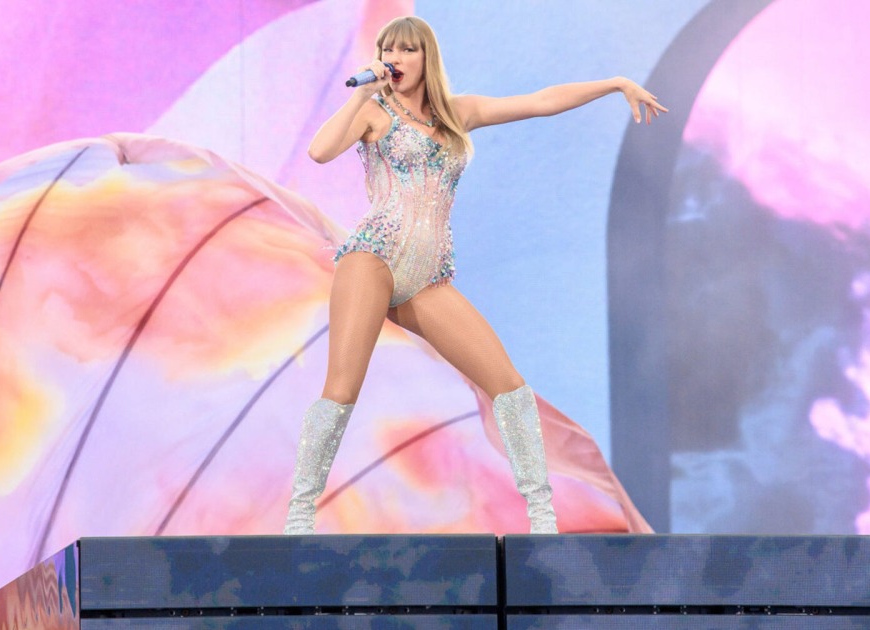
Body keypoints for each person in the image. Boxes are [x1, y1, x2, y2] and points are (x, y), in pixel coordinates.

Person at [283, 16, 666, 535]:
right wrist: (360, 96)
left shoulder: (457, 114)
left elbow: (540, 101)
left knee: (509, 387)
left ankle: (542, 518)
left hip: (428, 276)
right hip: (373, 258)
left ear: (426, 58)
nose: (395, 57)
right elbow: (319, 151)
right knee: (343, 387)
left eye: (406, 49)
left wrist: (615, 83)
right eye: (387, 49)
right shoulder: (373, 111)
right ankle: (300, 515)